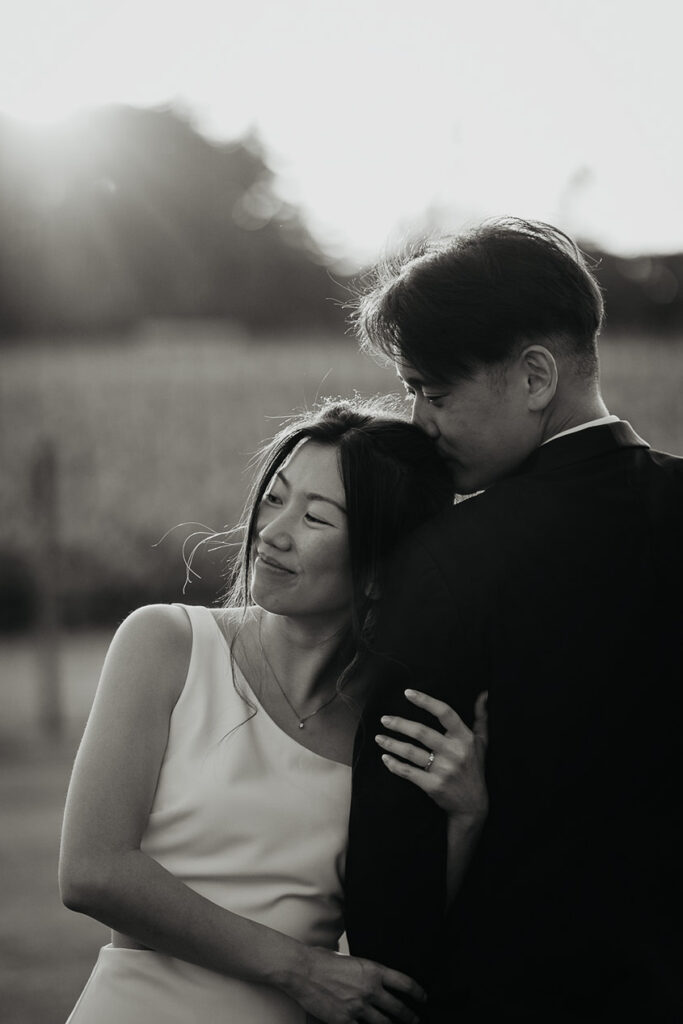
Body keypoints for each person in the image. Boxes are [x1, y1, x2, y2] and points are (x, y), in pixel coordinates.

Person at [344, 219, 683, 1021]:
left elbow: (395, 877)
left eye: (432, 390)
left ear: (534, 376)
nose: (419, 421)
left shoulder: (449, 558)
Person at [59, 398, 488, 1024]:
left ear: (377, 571)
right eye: (275, 497)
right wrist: (300, 968)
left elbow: (403, 947)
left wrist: (468, 816)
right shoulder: (165, 644)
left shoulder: (393, 723)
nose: (272, 532)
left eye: (316, 518)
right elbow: (92, 872)